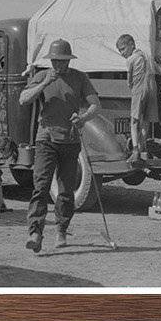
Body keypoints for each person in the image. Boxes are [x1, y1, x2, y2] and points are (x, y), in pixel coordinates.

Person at [19, 39, 100, 252]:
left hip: (70, 139)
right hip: (45, 138)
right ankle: (35, 233)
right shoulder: (40, 76)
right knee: (41, 186)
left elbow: (95, 105)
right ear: (50, 60)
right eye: (55, 61)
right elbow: (23, 99)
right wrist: (45, 83)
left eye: (62, 61)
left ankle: (62, 230)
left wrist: (83, 118)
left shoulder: (79, 77)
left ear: (69, 60)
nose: (58, 65)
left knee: (65, 191)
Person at [116, 33, 159, 167]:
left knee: (134, 121)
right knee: (146, 120)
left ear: (132, 45)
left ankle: (135, 150)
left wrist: (130, 86)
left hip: (139, 89)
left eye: (123, 49)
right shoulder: (146, 55)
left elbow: (129, 80)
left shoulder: (131, 59)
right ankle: (142, 147)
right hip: (152, 87)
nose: (122, 53)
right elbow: (159, 71)